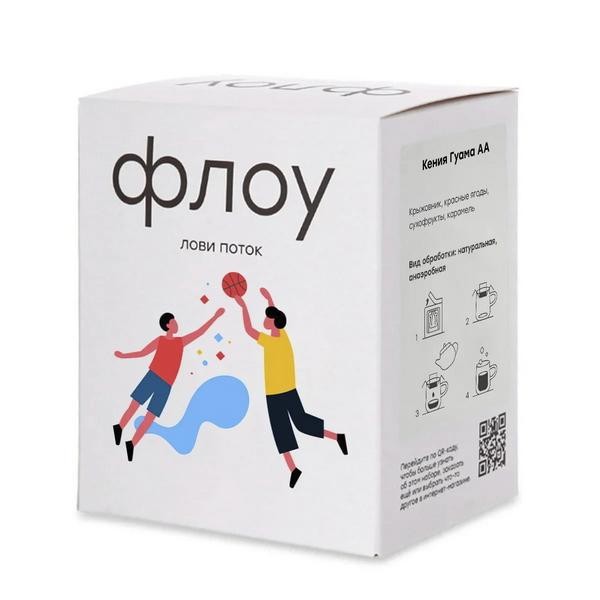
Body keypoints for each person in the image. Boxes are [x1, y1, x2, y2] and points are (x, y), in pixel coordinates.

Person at [232, 286, 347, 488]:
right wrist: (269, 299)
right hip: (274, 393)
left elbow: (249, 330)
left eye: (267, 318)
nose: (264, 320)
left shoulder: (271, 341)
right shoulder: (282, 334)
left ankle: (337, 437)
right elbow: (276, 314)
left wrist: (243, 306)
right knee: (281, 431)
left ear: (273, 322)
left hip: (284, 391)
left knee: (300, 424)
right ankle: (293, 469)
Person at [113, 307, 225, 461]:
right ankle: (119, 427)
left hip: (166, 385)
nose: (176, 324)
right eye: (173, 322)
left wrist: (215, 317)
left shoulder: (180, 342)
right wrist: (123, 355)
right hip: (152, 377)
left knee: (150, 417)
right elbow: (142, 352)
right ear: (167, 325)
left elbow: (200, 332)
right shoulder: (160, 340)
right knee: (134, 405)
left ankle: (132, 444)